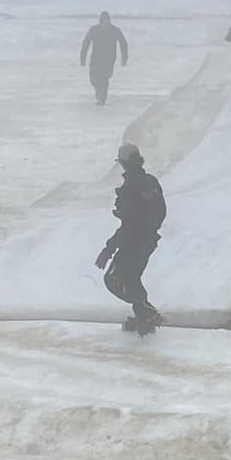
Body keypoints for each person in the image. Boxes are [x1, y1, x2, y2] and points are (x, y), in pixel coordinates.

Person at [95, 143, 166, 336]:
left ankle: (147, 311)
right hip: (149, 240)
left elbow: (128, 225)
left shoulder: (130, 188)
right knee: (131, 278)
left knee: (113, 279)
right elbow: (161, 212)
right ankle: (144, 315)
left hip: (133, 241)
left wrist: (107, 251)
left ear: (124, 164)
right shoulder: (151, 182)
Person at [80, 11, 128, 105]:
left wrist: (124, 58)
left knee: (104, 79)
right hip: (95, 59)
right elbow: (86, 43)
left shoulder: (115, 30)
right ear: (100, 22)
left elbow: (123, 44)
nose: (106, 24)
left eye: (108, 22)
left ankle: (102, 99)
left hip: (109, 60)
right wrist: (82, 57)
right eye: (104, 22)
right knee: (94, 80)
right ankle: (99, 95)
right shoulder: (94, 30)